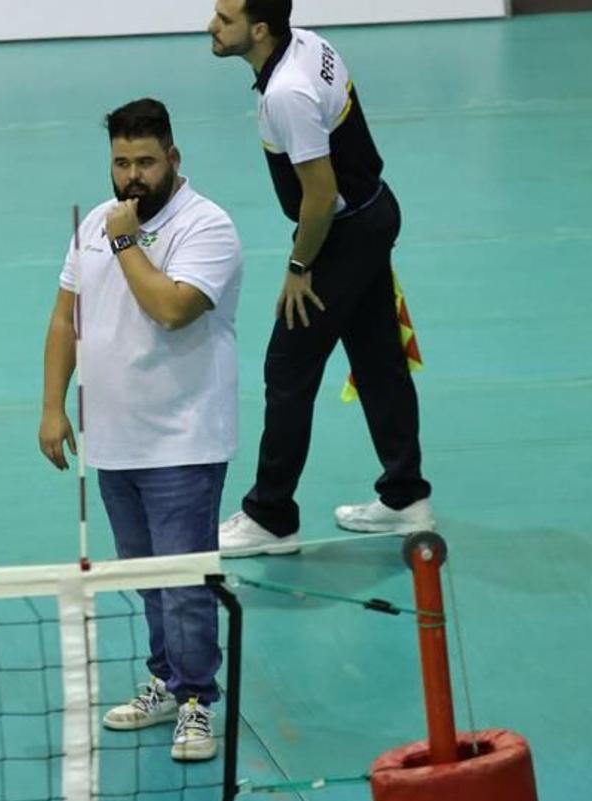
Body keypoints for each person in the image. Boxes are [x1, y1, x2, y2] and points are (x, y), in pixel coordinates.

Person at [38, 98, 243, 761]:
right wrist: (52, 405)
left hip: (183, 440)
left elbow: (172, 310)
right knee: (148, 577)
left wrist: (127, 242)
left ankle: (196, 703)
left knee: (185, 582)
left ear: (173, 160)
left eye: (145, 162)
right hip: (114, 442)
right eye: (121, 162)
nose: (131, 177)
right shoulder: (94, 224)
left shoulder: (207, 227)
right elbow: (64, 319)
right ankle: (166, 680)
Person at [207, 0, 435, 557]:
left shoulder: (287, 93)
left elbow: (319, 195)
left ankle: (272, 516)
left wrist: (299, 267)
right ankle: (406, 498)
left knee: (287, 368)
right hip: (373, 213)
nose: (212, 26)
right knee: (379, 360)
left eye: (224, 19)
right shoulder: (306, 42)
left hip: (344, 234)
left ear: (260, 30)